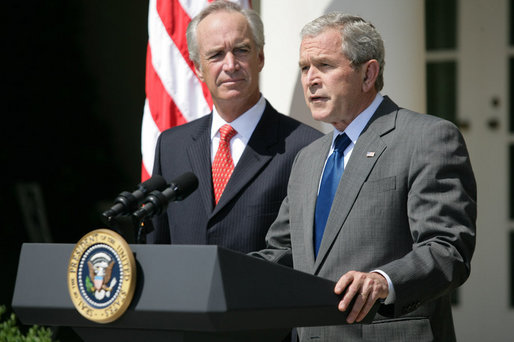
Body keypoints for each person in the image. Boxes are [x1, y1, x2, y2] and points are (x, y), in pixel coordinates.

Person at [251, 12, 477, 341]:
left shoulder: (426, 138)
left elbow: (448, 249)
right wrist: (216, 269)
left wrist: (384, 281)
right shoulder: (307, 159)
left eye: (324, 65)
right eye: (304, 67)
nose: (310, 79)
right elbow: (282, 253)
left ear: (368, 74)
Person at [146, 1, 322, 254]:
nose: (230, 65)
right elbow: (158, 246)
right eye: (216, 54)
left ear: (260, 58)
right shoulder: (171, 145)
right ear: (198, 68)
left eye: (241, 50)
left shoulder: (306, 146)